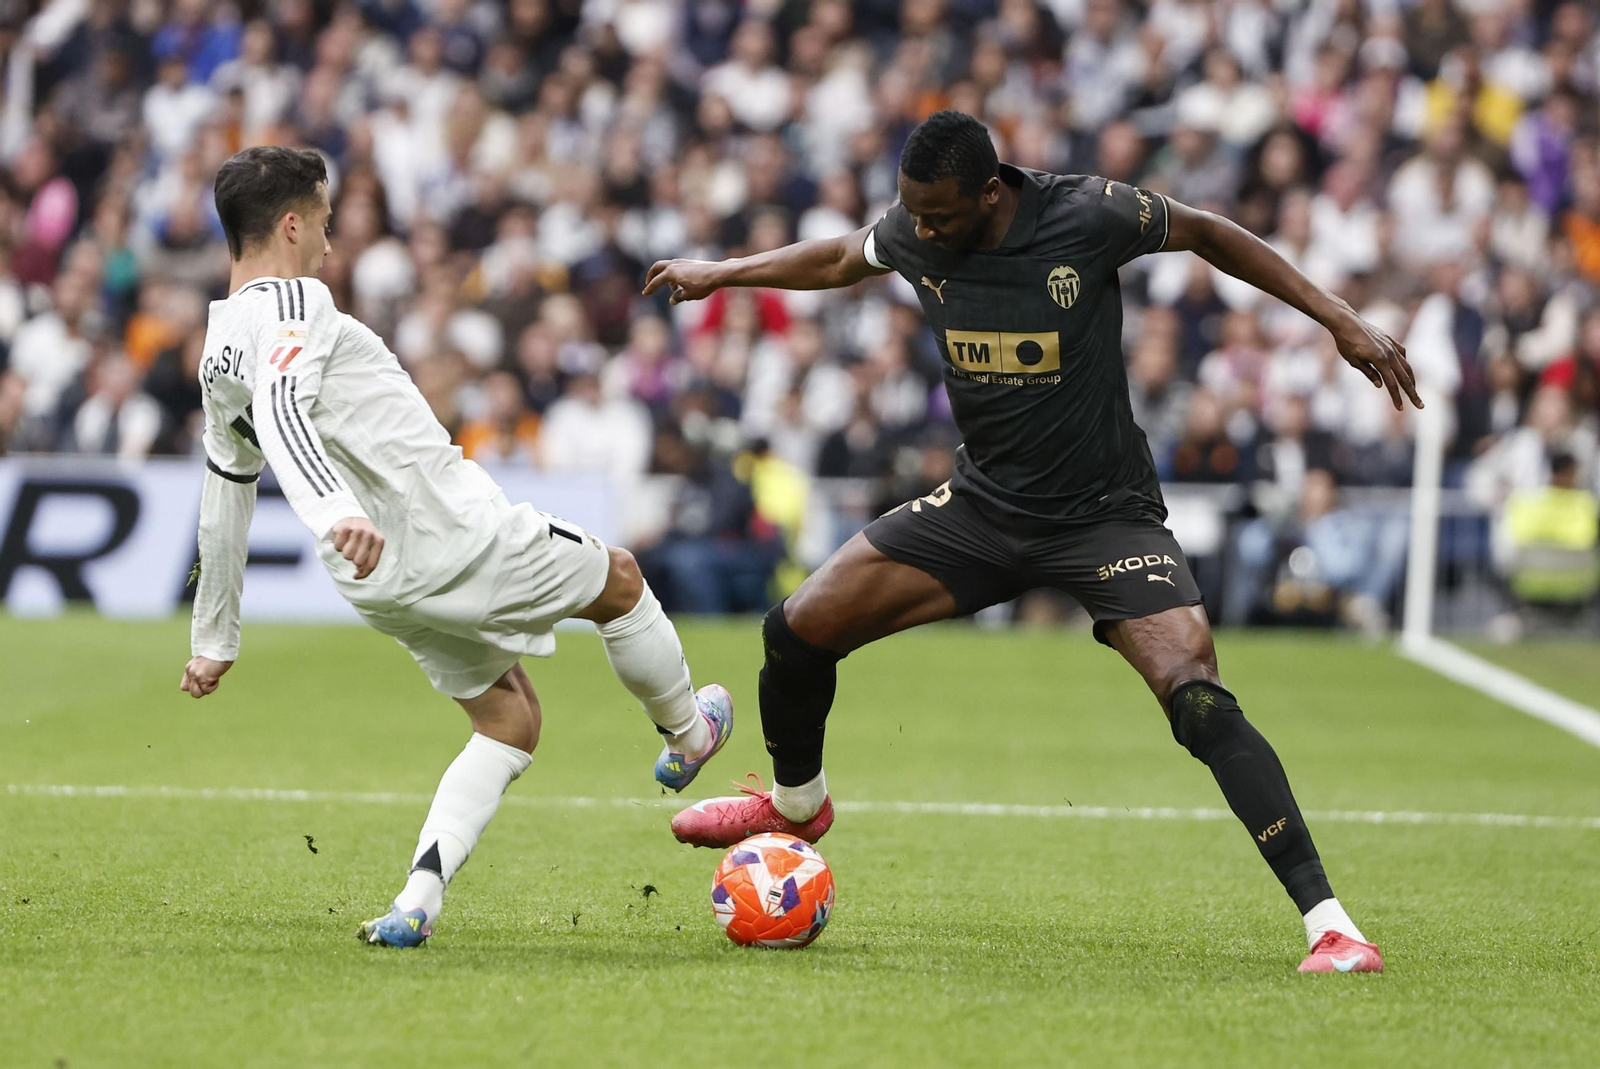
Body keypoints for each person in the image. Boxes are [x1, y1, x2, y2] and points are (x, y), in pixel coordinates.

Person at [645, 112, 1423, 975]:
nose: (923, 232)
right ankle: (797, 809)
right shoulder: (917, 225)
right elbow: (837, 257)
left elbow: (1205, 231)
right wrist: (722, 273)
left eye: (939, 216)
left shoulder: (1086, 215)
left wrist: (1337, 314)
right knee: (795, 630)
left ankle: (1330, 923)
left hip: (1103, 516)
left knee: (1197, 698)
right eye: (913, 215)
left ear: (990, 191)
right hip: (982, 507)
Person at [178, 146, 734, 949]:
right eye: (325, 224)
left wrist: (214, 638)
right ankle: (688, 733)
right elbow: (287, 406)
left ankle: (417, 901)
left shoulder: (217, 347)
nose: (331, 243)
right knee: (618, 577)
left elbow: (224, 493)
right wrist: (336, 508)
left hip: (371, 580)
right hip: (448, 532)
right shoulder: (295, 298)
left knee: (508, 719)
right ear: (291, 224)